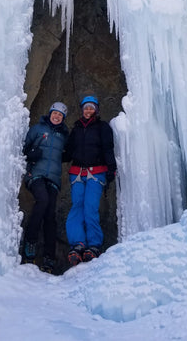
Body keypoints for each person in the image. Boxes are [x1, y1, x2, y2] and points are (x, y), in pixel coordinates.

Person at [64, 95, 116, 266]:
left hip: (97, 172)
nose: (88, 111)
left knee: (90, 207)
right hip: (77, 173)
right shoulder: (76, 128)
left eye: (91, 108)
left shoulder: (102, 127)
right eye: (86, 108)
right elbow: (69, 151)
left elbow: (108, 149)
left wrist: (111, 169)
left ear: (96, 110)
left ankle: (94, 244)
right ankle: (78, 244)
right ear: (82, 110)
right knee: (76, 207)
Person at [22, 101, 68, 273]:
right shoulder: (37, 129)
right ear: (50, 114)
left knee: (50, 215)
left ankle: (49, 256)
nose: (57, 117)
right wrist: (31, 154)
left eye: (60, 115)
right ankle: (30, 243)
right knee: (42, 200)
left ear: (63, 119)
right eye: (54, 113)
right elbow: (23, 148)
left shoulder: (64, 135)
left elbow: (66, 154)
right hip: (36, 175)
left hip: (53, 179)